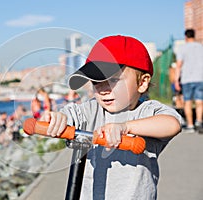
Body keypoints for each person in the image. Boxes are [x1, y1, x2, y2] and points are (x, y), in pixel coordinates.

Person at [42, 35, 182, 199]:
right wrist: (57, 118)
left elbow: (172, 124)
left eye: (113, 79)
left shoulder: (146, 111)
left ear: (142, 82)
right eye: (96, 82)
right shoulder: (92, 109)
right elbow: (70, 114)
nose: (103, 89)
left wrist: (126, 127)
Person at [175, 29, 203, 133]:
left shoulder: (182, 48)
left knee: (188, 102)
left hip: (187, 79)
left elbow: (178, 65)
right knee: (200, 101)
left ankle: (190, 125)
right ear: (194, 36)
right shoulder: (200, 47)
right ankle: (199, 122)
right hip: (200, 77)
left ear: (186, 37)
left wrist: (176, 80)